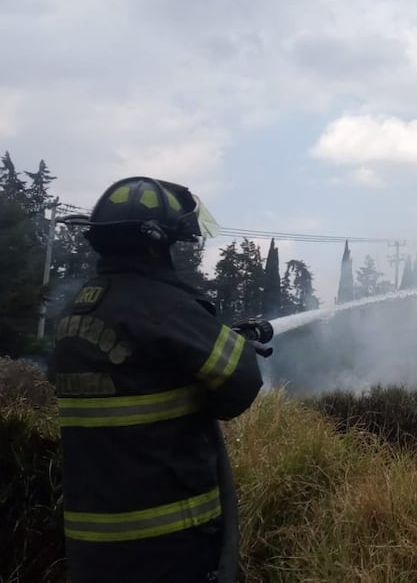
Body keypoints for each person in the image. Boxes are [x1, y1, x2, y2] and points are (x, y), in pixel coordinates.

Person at [47, 176, 267, 582]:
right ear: (154, 243)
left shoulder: (77, 314)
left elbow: (135, 375)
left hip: (90, 548)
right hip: (168, 545)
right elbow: (240, 386)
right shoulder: (165, 307)